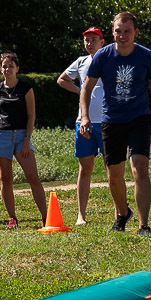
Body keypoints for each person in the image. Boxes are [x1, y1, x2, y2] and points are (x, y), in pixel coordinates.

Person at [77, 12, 151, 235]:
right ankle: (122, 213)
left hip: (139, 119)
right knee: (114, 175)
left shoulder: (146, 56)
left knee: (140, 169)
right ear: (112, 32)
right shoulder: (103, 56)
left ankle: (143, 225)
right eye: (118, 31)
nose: (122, 35)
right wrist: (85, 116)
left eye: (127, 31)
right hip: (111, 121)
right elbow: (86, 89)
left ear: (135, 33)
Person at [0, 51, 47, 229]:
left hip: (22, 136)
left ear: (17, 68)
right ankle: (12, 219)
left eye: (11, 66)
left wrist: (27, 139)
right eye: (4, 66)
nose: (7, 69)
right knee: (5, 179)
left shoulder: (25, 87)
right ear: (0, 69)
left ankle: (46, 216)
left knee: (32, 177)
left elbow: (31, 115)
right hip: (2, 136)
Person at [57, 26, 107, 225]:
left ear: (102, 42)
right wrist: (81, 92)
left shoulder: (110, 58)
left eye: (94, 39)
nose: (90, 43)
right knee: (85, 168)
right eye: (87, 40)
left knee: (111, 168)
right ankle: (81, 216)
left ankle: (118, 213)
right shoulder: (81, 61)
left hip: (107, 121)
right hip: (84, 121)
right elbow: (62, 79)